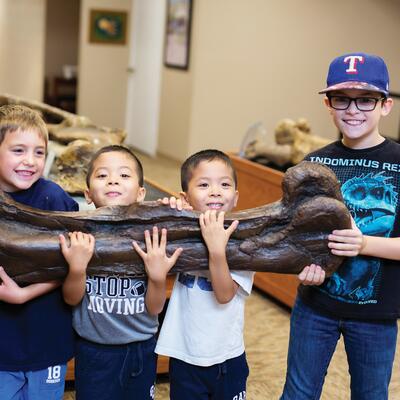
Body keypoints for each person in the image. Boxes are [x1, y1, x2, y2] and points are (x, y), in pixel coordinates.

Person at [280, 52, 399, 400]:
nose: (353, 110)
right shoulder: (314, 163)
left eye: (365, 100)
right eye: (341, 100)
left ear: (385, 105)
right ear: (328, 105)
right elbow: (298, 236)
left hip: (376, 314)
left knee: (371, 394)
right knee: (298, 393)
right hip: (315, 306)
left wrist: (364, 244)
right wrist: (303, 266)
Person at [60, 144, 182, 400]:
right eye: (102, 175)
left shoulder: (153, 233)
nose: (113, 179)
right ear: (88, 194)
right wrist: (77, 269)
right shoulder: (80, 235)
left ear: (141, 193)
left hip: (141, 347)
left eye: (124, 175)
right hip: (94, 350)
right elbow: (71, 299)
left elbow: (155, 308)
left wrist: (173, 207)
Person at [155, 149, 254, 400]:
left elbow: (224, 295)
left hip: (227, 357)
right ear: (185, 197)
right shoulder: (180, 227)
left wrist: (216, 250)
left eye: (224, 184)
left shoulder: (246, 240)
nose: (215, 191)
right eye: (203, 184)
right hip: (184, 353)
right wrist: (170, 210)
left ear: (236, 196)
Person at [0, 104, 79, 400]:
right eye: (18, 151)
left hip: (45, 339)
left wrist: (24, 294)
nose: (30, 161)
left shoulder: (54, 198)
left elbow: (72, 265)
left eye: (39, 152)